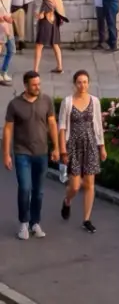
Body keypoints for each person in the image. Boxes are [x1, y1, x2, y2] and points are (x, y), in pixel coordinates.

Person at [4, 70, 54, 239]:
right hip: (22, 153)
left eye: (39, 84)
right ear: (25, 85)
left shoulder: (46, 100)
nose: (37, 87)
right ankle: (24, 223)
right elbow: (8, 129)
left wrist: (56, 147)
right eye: (34, 85)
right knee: (25, 188)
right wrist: (6, 154)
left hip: (41, 152)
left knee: (38, 191)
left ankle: (35, 223)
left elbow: (52, 123)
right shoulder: (14, 104)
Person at [56, 70, 103, 233]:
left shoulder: (94, 101)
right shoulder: (68, 102)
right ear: (74, 84)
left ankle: (86, 219)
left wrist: (101, 146)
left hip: (90, 144)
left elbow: (98, 125)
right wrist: (63, 150)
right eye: (79, 82)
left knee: (90, 184)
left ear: (88, 83)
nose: (82, 85)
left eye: (85, 82)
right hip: (74, 145)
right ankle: (67, 200)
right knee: (75, 185)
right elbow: (61, 127)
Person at [31, 0, 62, 76]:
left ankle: (35, 69)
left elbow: (48, 6)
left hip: (46, 22)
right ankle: (60, 66)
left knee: (39, 45)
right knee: (55, 44)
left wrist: (41, 14)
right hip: (54, 21)